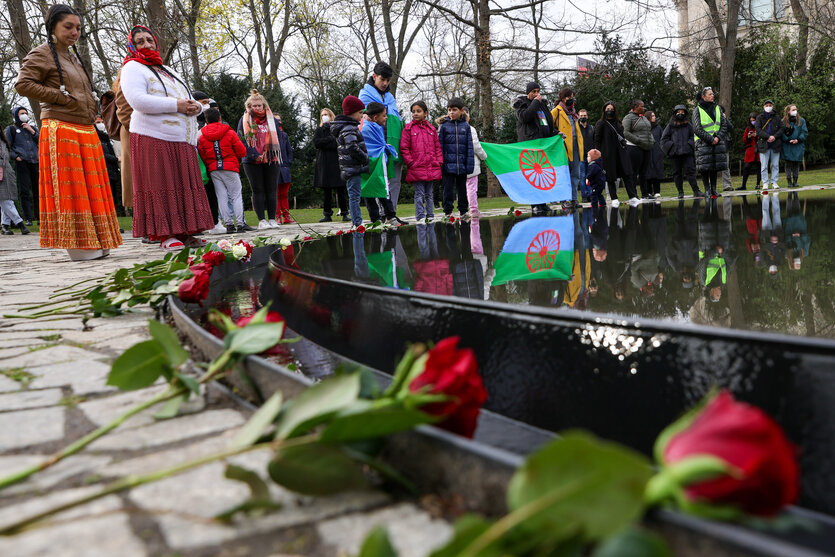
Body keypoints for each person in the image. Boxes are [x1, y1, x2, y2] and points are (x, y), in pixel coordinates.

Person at [14, 4, 122, 260]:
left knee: (92, 189)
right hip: (62, 129)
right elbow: (22, 84)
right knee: (73, 191)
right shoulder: (41, 53)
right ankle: (80, 246)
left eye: (78, 28)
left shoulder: (74, 57)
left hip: (84, 129)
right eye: (68, 27)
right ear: (53, 27)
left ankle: (97, 239)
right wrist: (59, 97)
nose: (75, 32)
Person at [120, 24, 213, 251]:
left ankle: (187, 233)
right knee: (161, 183)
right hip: (153, 137)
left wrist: (197, 109)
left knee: (182, 184)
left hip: (181, 139)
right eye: (140, 41)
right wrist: (177, 105)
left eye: (149, 40)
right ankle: (165, 234)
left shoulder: (167, 69)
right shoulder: (132, 67)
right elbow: (138, 101)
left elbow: (191, 99)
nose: (146, 44)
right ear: (133, 46)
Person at [197, 107, 253, 234]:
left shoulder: (202, 136)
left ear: (206, 120)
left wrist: (210, 164)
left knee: (221, 196)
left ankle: (228, 225)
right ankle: (240, 224)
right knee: (236, 195)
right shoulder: (229, 132)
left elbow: (202, 154)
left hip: (214, 168)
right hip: (230, 167)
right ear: (220, 118)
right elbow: (241, 151)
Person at [358, 62, 405, 211]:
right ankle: (380, 214)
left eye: (388, 80)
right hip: (376, 146)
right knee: (379, 179)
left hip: (393, 144)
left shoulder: (390, 97)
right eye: (382, 79)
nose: (385, 83)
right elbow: (363, 122)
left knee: (395, 180)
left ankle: (392, 212)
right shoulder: (364, 95)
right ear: (374, 76)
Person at [238, 89, 282, 229]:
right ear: (249, 106)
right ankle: (262, 220)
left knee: (271, 189)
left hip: (271, 158)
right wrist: (254, 154)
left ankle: (272, 219)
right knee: (258, 190)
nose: (257, 108)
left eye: (259, 105)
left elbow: (279, 139)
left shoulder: (272, 120)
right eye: (254, 106)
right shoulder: (244, 120)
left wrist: (270, 154)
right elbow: (241, 139)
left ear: (264, 106)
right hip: (252, 160)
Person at [513, 81, 556, 214]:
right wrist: (536, 103)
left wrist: (555, 132)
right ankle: (535, 204)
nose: (537, 94)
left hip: (542, 144)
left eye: (538, 91)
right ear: (528, 93)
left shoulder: (542, 105)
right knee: (533, 176)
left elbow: (547, 122)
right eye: (534, 92)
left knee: (543, 175)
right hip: (530, 144)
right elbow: (525, 117)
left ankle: (543, 203)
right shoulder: (521, 104)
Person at [400, 100, 442, 222]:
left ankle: (430, 215)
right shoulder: (408, 129)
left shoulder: (431, 129)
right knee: (419, 194)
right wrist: (411, 163)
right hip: (417, 167)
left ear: (425, 113)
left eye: (418, 111)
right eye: (413, 111)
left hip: (431, 166)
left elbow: (437, 147)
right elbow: (404, 148)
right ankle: (420, 216)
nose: (415, 114)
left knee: (430, 194)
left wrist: (438, 162)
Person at [332, 96, 368, 227]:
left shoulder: (348, 127)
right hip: (352, 167)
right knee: (354, 196)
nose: (362, 115)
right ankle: (357, 222)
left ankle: (357, 221)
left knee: (354, 194)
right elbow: (352, 146)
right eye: (360, 113)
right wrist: (364, 157)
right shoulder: (349, 128)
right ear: (351, 113)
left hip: (350, 167)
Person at [593, 101, 637, 206]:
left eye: (611, 109)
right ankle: (614, 198)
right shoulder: (601, 123)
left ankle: (632, 196)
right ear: (604, 110)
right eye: (607, 109)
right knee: (610, 176)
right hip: (607, 153)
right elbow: (597, 139)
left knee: (627, 174)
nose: (609, 111)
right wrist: (598, 153)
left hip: (621, 152)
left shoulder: (618, 122)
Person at [362, 102, 399, 223]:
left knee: (383, 189)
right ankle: (376, 219)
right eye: (384, 115)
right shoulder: (367, 128)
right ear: (375, 117)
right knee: (370, 192)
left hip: (378, 163)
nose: (386, 117)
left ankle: (390, 215)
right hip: (371, 165)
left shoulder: (376, 127)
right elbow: (368, 146)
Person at [437, 97, 474, 219]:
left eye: (454, 110)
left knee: (462, 190)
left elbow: (469, 147)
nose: (451, 112)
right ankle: (448, 212)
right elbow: (439, 146)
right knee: (447, 190)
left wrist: (469, 165)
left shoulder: (466, 126)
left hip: (462, 165)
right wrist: (440, 163)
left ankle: (463, 211)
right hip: (448, 165)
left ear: (461, 110)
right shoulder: (444, 126)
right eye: (449, 110)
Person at [692, 86, 729, 198]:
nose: (713, 95)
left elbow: (724, 124)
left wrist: (718, 137)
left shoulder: (717, 108)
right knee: (705, 167)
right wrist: (710, 139)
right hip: (703, 143)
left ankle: (714, 189)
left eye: (713, 94)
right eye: (710, 94)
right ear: (704, 97)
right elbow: (697, 129)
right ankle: (707, 189)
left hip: (717, 141)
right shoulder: (697, 110)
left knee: (714, 166)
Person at [3, 107, 39, 225]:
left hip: (35, 161)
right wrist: (16, 156)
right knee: (24, 191)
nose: (24, 115)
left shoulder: (32, 128)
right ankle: (28, 218)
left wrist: (32, 131)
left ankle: (39, 217)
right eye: (21, 113)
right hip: (22, 162)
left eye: (25, 113)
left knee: (37, 190)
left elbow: (42, 141)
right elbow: (7, 145)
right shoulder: (11, 129)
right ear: (16, 116)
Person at [314, 108, 349, 222]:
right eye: (322, 114)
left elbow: (336, 143)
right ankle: (327, 214)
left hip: (336, 162)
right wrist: (328, 140)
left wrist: (328, 140)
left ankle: (344, 212)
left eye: (326, 114)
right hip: (324, 163)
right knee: (326, 191)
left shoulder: (337, 129)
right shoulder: (319, 130)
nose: (324, 116)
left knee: (341, 190)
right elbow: (317, 143)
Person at [660, 105, 702, 198]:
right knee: (677, 173)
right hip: (675, 154)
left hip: (687, 153)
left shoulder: (688, 125)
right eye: (678, 112)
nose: (680, 114)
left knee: (691, 172)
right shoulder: (670, 126)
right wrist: (671, 148)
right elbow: (664, 139)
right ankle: (680, 192)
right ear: (675, 113)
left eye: (682, 112)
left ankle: (696, 190)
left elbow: (693, 137)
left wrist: (689, 145)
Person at [551, 87, 584, 202]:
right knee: (563, 174)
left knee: (576, 174)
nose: (571, 99)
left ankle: (574, 199)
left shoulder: (574, 112)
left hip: (575, 146)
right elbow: (549, 127)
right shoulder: (557, 111)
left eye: (572, 97)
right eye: (568, 97)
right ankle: (563, 199)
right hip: (563, 147)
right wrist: (557, 133)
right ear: (563, 98)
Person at [192, 90, 220, 229]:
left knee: (211, 193)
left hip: (209, 162)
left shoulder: (209, 121)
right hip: (195, 162)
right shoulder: (192, 121)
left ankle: (214, 221)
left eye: (208, 103)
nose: (206, 106)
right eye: (203, 103)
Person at [622, 100, 654, 199]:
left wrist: (652, 140)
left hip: (646, 147)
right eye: (642, 106)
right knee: (634, 172)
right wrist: (638, 140)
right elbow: (625, 132)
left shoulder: (643, 117)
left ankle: (645, 194)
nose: (644, 108)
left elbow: (648, 131)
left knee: (644, 172)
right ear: (635, 107)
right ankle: (634, 194)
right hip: (634, 147)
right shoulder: (628, 118)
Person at [0, 132, 30, 235]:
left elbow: (4, 158)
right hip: (4, 173)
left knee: (5, 200)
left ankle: (6, 225)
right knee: (6, 200)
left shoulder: (3, 142)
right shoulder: (3, 142)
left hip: (5, 174)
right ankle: (19, 223)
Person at [93, 114, 123, 215]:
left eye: (102, 122)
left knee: (113, 198)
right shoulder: (96, 139)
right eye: (98, 122)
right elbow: (102, 155)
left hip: (112, 172)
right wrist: (115, 159)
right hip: (104, 171)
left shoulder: (106, 138)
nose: (100, 124)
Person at [462, 107, 487, 217]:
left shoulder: (454, 128)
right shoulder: (470, 129)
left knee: (461, 188)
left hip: (459, 164)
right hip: (471, 163)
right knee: (472, 188)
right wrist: (484, 156)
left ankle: (463, 209)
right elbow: (476, 146)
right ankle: (474, 210)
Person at [754, 99, 784, 190]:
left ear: (772, 106)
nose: (768, 107)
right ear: (764, 107)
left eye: (770, 105)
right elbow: (758, 130)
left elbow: (781, 128)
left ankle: (774, 182)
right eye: (766, 105)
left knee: (775, 165)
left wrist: (774, 136)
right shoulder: (759, 117)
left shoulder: (777, 117)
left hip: (775, 144)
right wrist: (768, 137)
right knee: (764, 166)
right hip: (764, 144)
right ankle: (765, 183)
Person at [275, 113, 295, 224]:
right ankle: (277, 216)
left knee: (284, 194)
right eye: (275, 120)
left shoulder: (284, 135)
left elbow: (289, 150)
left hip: (285, 168)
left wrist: (288, 162)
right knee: (276, 194)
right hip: (274, 168)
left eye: (279, 120)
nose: (277, 122)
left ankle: (286, 216)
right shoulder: (270, 135)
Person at [781, 104, 807, 189]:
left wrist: (798, 139)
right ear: (788, 111)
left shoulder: (801, 120)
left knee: (796, 163)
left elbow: (804, 132)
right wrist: (788, 140)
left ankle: (795, 181)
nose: (795, 111)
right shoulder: (783, 121)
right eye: (793, 109)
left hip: (798, 145)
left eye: (796, 109)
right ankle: (789, 181)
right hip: (788, 146)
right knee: (788, 164)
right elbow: (781, 133)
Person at [738, 112, 761, 191]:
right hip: (750, 150)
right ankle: (743, 185)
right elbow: (744, 140)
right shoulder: (748, 129)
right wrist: (749, 137)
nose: (752, 122)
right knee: (746, 167)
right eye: (751, 120)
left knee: (759, 167)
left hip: (758, 150)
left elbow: (763, 137)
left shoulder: (760, 128)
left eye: (754, 120)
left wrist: (756, 135)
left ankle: (758, 184)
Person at [644, 110, 664, 198]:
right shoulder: (644, 128)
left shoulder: (658, 128)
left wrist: (661, 149)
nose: (654, 117)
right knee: (647, 172)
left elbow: (662, 138)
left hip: (657, 153)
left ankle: (657, 191)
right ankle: (648, 191)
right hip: (647, 152)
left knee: (657, 171)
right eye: (652, 116)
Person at [577, 108, 594, 201]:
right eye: (581, 116)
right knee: (582, 177)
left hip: (591, 156)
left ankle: (591, 194)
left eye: (584, 115)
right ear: (578, 117)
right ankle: (584, 196)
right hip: (580, 156)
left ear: (587, 116)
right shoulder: (576, 129)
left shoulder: (591, 128)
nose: (583, 117)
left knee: (591, 176)